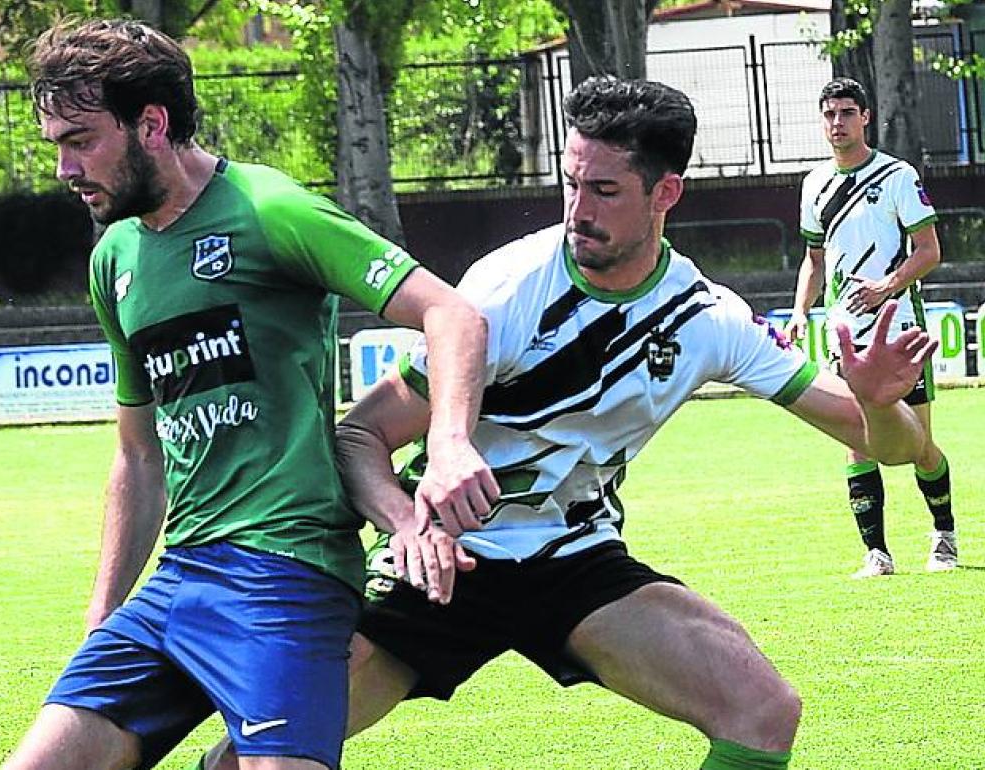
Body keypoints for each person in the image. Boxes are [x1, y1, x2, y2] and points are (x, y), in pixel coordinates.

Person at [203, 76, 937, 770]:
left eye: (604, 190)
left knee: (763, 712)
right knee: (255, 756)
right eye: (571, 182)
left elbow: (894, 449)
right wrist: (405, 525)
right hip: (444, 565)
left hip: (573, 563)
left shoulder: (710, 319)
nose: (577, 209)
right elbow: (361, 434)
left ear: (666, 193)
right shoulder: (500, 292)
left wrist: (877, 404)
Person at [3, 19, 499, 770]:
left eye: (81, 140)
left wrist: (448, 443)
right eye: (57, 146)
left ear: (152, 124)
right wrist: (104, 615)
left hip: (284, 576)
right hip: (177, 584)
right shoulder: (115, 258)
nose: (66, 168)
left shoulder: (271, 210)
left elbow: (451, 313)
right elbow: (139, 457)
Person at [786, 77, 957, 578]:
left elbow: (929, 251)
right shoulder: (814, 184)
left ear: (865, 117)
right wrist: (800, 311)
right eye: (829, 115)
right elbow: (813, 260)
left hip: (902, 328)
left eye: (846, 113)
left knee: (918, 445)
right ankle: (876, 552)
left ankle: (943, 536)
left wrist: (887, 286)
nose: (836, 123)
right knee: (857, 441)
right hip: (846, 333)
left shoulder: (897, 176)